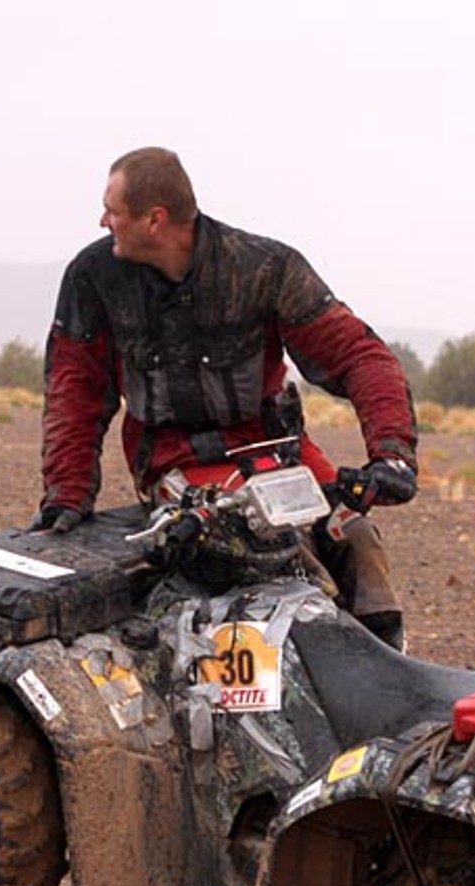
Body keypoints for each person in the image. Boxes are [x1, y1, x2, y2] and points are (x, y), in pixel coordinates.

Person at [32, 146, 418, 649]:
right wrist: (66, 494)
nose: (103, 220)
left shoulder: (266, 269)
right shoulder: (94, 278)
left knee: (356, 538)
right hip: (178, 464)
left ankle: (391, 678)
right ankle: (302, 694)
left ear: (155, 219)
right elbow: (74, 392)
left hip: (280, 455)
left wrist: (392, 454)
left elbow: (360, 356)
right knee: (286, 558)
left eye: (113, 210)